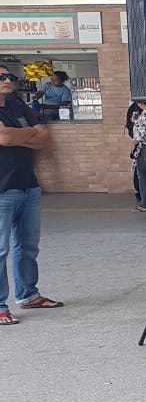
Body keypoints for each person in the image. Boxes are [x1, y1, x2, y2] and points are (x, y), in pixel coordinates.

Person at [0, 63, 58, 325]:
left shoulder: (15, 104)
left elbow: (45, 138)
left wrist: (18, 136)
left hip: (28, 186)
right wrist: (27, 135)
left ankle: (28, 294)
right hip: (2, 190)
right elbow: (3, 138)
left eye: (10, 76)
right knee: (0, 251)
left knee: (28, 246)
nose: (8, 80)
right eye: (2, 77)